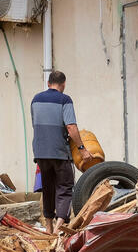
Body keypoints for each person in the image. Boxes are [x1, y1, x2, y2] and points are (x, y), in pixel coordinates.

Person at [31, 70, 92, 233]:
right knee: (64, 187)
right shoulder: (65, 100)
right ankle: (58, 228)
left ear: (48, 83)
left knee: (48, 188)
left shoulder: (35, 100)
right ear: (63, 84)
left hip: (40, 152)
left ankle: (49, 227)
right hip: (59, 151)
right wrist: (82, 149)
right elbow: (71, 127)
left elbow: (35, 125)